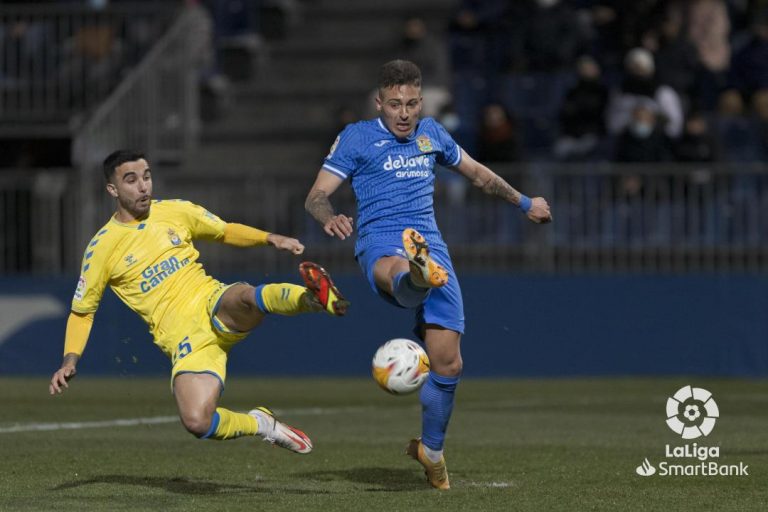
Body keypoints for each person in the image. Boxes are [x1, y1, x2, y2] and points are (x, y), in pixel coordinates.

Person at [304, 60, 551, 490]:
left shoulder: (432, 134)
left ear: (421, 102)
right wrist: (329, 217)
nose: (404, 113)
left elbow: (478, 174)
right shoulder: (357, 137)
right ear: (379, 103)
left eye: (412, 104)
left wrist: (525, 203)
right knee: (401, 271)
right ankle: (417, 274)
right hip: (381, 242)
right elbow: (316, 196)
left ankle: (431, 452)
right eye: (394, 104)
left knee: (448, 363)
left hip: (432, 246)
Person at [49, 150, 349, 455]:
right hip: (185, 342)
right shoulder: (102, 247)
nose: (143, 186)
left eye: (147, 177)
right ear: (112, 189)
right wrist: (69, 361)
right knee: (197, 421)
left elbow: (224, 231)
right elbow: (82, 312)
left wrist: (271, 238)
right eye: (131, 180)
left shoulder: (176, 211)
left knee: (245, 296)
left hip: (210, 301)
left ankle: (313, 299)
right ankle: (261, 424)